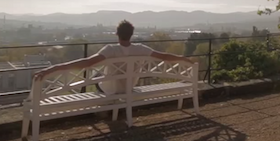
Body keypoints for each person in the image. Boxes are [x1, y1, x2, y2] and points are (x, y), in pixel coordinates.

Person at [34, 20, 192, 94]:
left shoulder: (110, 49)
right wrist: (182, 57)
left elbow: (86, 62)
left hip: (109, 90)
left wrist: (53, 68)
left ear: (117, 34)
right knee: (107, 74)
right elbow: (163, 56)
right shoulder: (141, 49)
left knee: (97, 74)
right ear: (131, 35)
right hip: (128, 87)